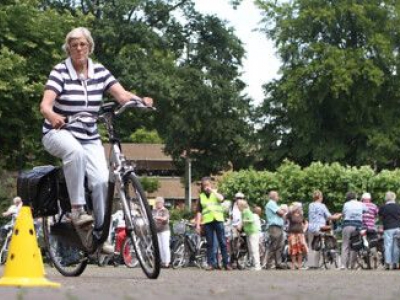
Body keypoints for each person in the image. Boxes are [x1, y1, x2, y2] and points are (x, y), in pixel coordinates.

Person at [39, 27, 153, 253]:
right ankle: (77, 209)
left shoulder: (99, 71)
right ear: (68, 48)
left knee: (102, 180)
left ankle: (100, 235)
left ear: (89, 47)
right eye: (74, 45)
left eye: (82, 44)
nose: (78, 48)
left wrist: (142, 100)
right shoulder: (60, 71)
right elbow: (45, 105)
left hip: (89, 136)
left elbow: (121, 95)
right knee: (75, 153)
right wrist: (52, 116)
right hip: (59, 132)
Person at [195, 177, 231, 270]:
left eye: (208, 185)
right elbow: (199, 211)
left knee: (222, 242)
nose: (206, 187)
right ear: (202, 187)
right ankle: (211, 264)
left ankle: (226, 264)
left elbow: (221, 199)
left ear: (211, 185)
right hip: (207, 222)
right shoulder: (201, 196)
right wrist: (198, 225)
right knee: (210, 244)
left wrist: (213, 191)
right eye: (204, 185)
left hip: (218, 220)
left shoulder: (216, 193)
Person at [340, 191, 365, 269]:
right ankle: (352, 265)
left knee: (345, 245)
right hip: (357, 226)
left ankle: (343, 265)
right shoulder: (361, 204)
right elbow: (366, 210)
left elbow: (343, 214)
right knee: (355, 245)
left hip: (347, 225)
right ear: (355, 197)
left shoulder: (346, 204)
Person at [265, 190, 287, 269]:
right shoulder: (271, 203)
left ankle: (278, 263)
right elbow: (281, 213)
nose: (278, 197)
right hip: (274, 227)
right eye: (277, 196)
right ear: (274, 196)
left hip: (278, 226)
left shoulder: (274, 204)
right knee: (274, 245)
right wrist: (284, 211)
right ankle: (268, 263)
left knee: (279, 245)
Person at [237, 199, 261, 271]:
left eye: (238, 204)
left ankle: (258, 266)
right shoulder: (242, 212)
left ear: (241, 205)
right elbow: (241, 221)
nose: (237, 206)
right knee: (250, 250)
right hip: (248, 232)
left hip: (253, 232)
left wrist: (244, 221)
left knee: (254, 249)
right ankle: (253, 265)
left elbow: (252, 220)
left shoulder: (247, 211)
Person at [378, 191, 400, 270]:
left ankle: (387, 263)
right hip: (397, 228)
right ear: (394, 197)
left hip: (388, 228)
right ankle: (395, 263)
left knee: (388, 245)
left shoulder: (383, 207)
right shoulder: (398, 206)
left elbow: (380, 217)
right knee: (396, 246)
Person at [286, 202, 308, 270]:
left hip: (300, 234)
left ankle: (299, 265)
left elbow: (306, 222)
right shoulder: (290, 214)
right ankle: (293, 264)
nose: (299, 208)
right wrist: (292, 209)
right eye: (298, 207)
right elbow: (285, 216)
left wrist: (304, 229)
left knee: (300, 249)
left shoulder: (301, 215)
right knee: (293, 249)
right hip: (292, 233)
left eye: (299, 207)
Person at [152, 196, 171, 268]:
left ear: (162, 203)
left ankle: (167, 262)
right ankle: (163, 262)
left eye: (159, 203)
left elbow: (165, 218)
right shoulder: (154, 210)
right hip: (157, 231)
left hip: (164, 230)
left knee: (165, 246)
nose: (158, 204)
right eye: (156, 203)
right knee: (159, 247)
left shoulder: (165, 210)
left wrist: (159, 218)